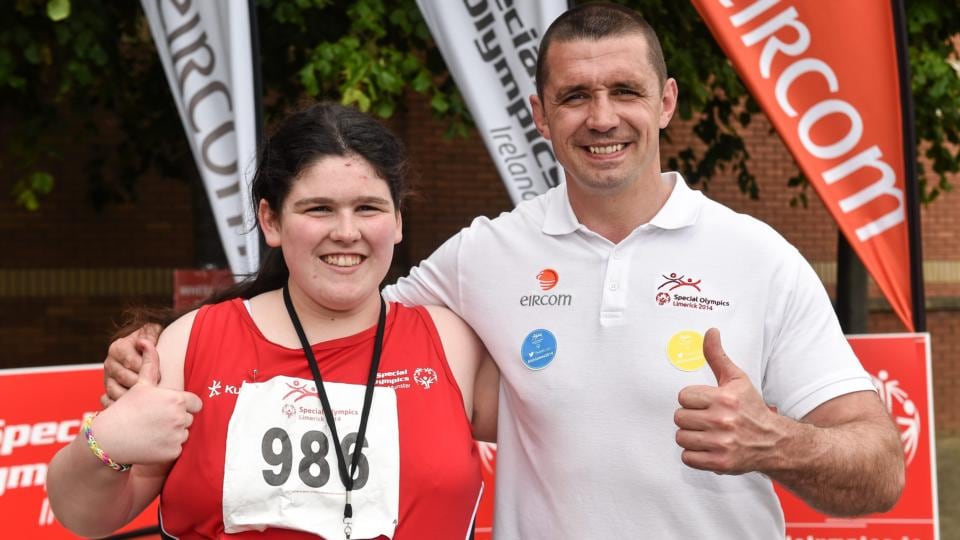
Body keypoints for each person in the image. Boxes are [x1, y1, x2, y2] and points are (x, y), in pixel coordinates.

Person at [101, 3, 905, 538]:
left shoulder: (758, 257)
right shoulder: (484, 254)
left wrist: (778, 443)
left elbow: (880, 471)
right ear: (540, 113)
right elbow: (330, 301)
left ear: (665, 102)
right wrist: (160, 348)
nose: (601, 117)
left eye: (624, 90)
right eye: (575, 95)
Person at [48, 102, 498, 540]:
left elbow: (564, 433)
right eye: (318, 208)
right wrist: (103, 442)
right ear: (271, 220)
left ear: (398, 220)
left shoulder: (453, 343)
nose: (346, 231)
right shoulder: (192, 343)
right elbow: (84, 518)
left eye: (368, 208)